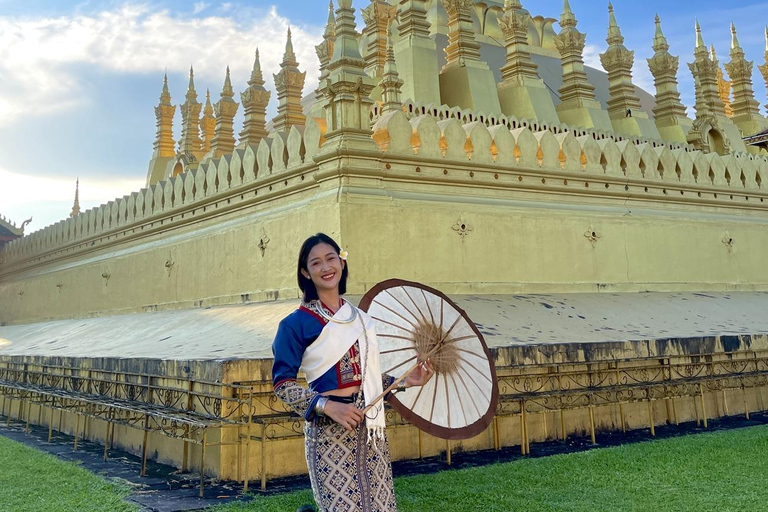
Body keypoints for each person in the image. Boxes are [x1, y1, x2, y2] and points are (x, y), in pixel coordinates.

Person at [272, 233, 434, 512]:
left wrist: (407, 380)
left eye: (331, 258)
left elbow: (367, 381)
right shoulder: (295, 324)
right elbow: (283, 385)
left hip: (371, 431)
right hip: (329, 433)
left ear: (342, 263)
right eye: (316, 263)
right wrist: (327, 406)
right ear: (305, 273)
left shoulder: (361, 319)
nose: (326, 268)